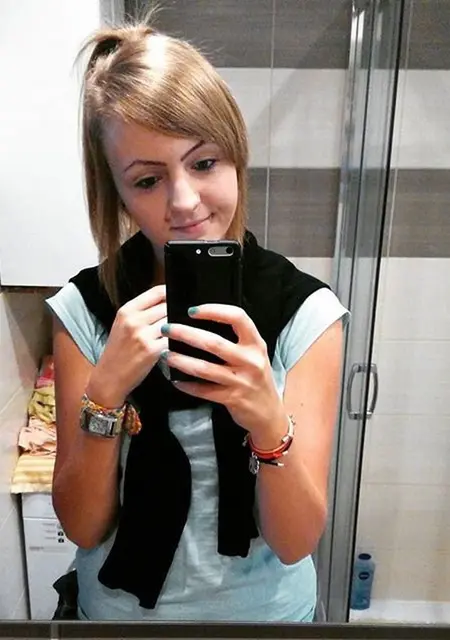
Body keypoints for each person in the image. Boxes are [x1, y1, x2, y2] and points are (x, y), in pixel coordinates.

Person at [46, 16, 349, 623]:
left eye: (204, 162)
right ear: (117, 194)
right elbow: (82, 526)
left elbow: (295, 542)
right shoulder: (85, 310)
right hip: (117, 623)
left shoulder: (305, 312)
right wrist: (106, 392)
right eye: (148, 180)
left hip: (266, 623)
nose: (184, 202)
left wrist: (266, 418)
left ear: (236, 156)